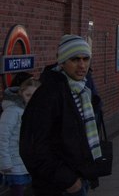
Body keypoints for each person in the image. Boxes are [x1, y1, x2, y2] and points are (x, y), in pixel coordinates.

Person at [20, 34, 105, 195]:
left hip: (79, 176)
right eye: (75, 59)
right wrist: (68, 180)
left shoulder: (82, 91)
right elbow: (32, 147)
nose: (82, 65)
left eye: (86, 59)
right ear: (62, 61)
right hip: (59, 186)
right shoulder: (48, 94)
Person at [0, 77, 40, 196]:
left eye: (35, 95)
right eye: (28, 94)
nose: (31, 98)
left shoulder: (35, 111)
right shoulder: (12, 111)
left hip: (28, 164)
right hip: (14, 165)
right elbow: (2, 138)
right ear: (21, 93)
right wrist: (5, 163)